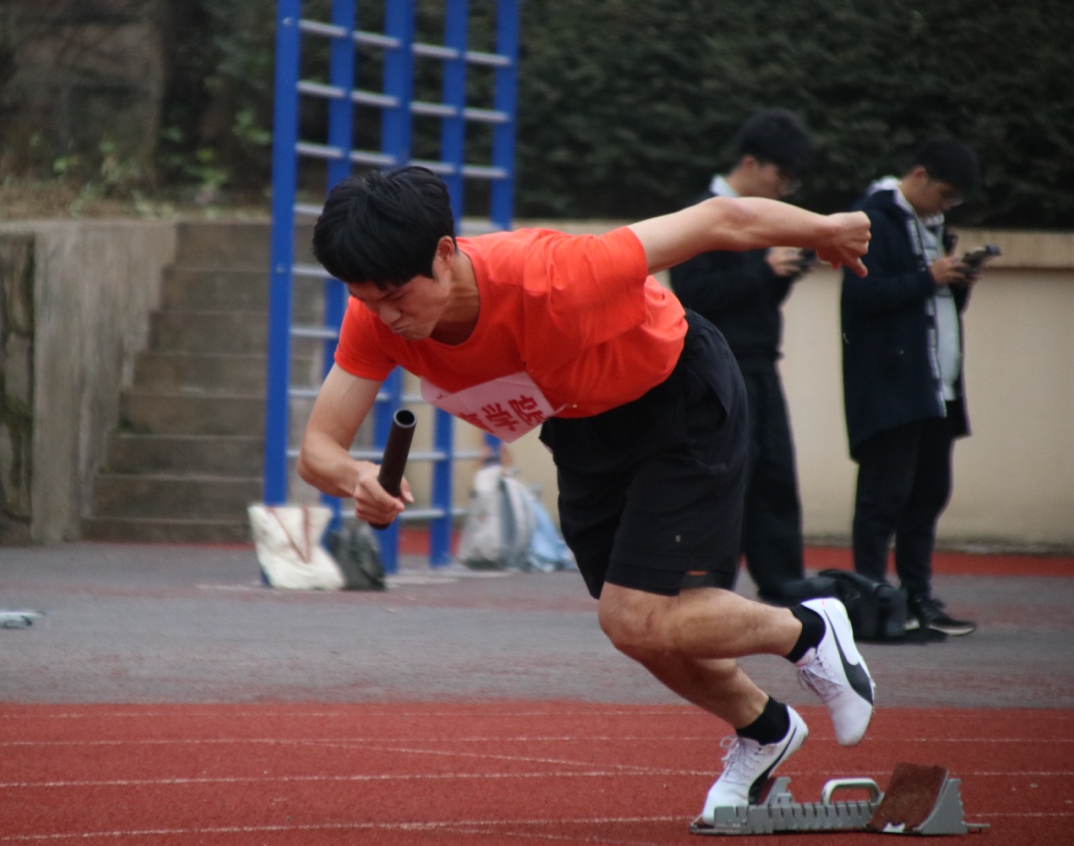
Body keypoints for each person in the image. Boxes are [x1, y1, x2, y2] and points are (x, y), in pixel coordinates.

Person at [297, 166, 876, 829]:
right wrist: (357, 478)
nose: (388, 317)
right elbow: (318, 449)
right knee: (641, 631)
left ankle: (812, 629)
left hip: (676, 397)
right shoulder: (375, 318)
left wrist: (825, 229)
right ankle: (765, 727)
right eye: (367, 300)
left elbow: (721, 219)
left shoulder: (552, 272)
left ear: (445, 253)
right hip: (580, 427)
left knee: (633, 616)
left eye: (398, 297)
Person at [670, 109, 814, 602]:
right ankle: (708, 590)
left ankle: (786, 588)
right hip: (716, 369)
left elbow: (757, 299)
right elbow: (694, 294)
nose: (783, 189)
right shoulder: (702, 215)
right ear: (750, 163)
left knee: (775, 476)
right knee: (727, 479)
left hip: (761, 362)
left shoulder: (760, 220)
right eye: (780, 176)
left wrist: (781, 274)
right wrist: (763, 270)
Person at [841, 138, 982, 637]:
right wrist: (929, 277)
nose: (946, 207)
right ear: (919, 176)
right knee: (882, 500)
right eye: (944, 195)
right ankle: (871, 603)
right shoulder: (871, 219)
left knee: (927, 497)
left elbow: (933, 307)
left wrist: (956, 283)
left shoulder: (931, 225)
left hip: (936, 385)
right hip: (892, 387)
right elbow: (862, 295)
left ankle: (918, 598)